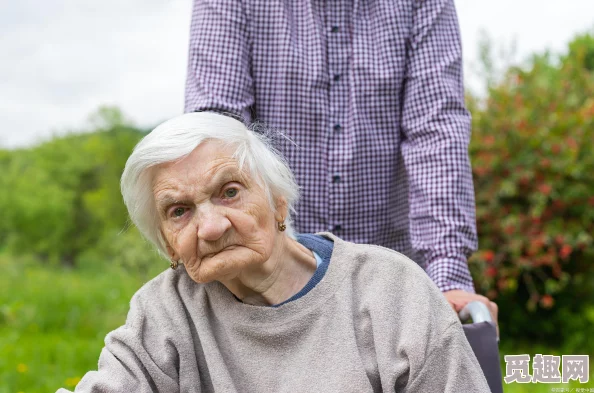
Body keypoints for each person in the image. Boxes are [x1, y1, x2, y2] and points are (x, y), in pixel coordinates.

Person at [57, 112, 490, 392]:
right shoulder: (164, 313)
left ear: (278, 201)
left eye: (229, 192)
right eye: (179, 211)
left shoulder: (392, 291)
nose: (210, 227)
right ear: (167, 243)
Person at [184, 0, 498, 322]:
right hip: (269, 275)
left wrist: (447, 273)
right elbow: (218, 133)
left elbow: (434, 129)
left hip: (393, 274)